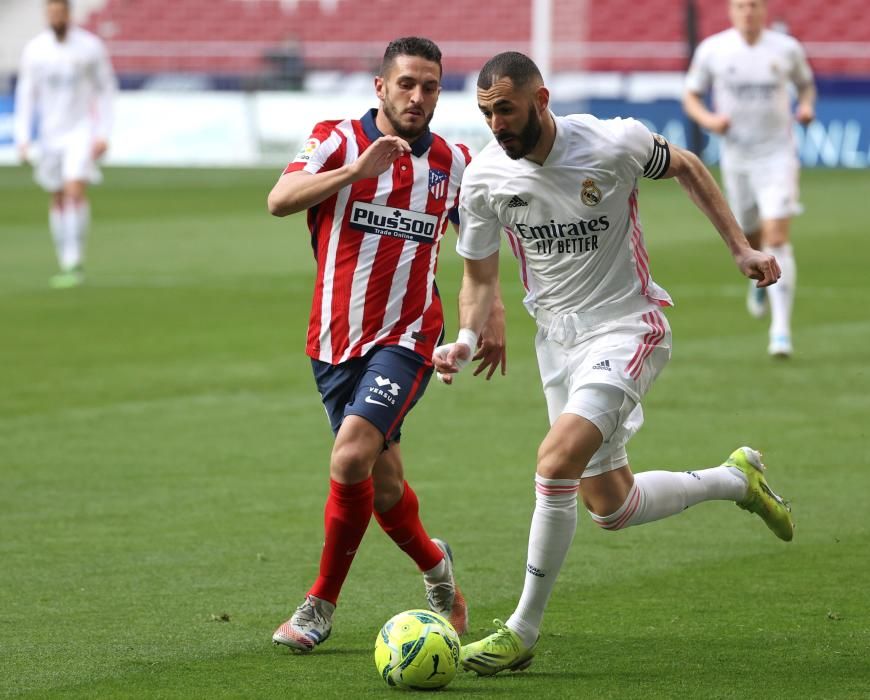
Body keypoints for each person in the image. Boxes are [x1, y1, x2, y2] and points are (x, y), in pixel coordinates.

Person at [433, 51, 794, 676]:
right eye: (487, 112)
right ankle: (738, 480)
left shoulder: (610, 142)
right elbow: (478, 277)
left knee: (553, 462)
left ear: (541, 99)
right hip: (558, 344)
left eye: (507, 110)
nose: (497, 124)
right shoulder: (486, 178)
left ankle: (521, 628)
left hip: (629, 326)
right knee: (611, 506)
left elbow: (683, 163)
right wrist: (465, 336)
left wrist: (739, 246)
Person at [267, 36, 505, 653]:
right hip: (332, 341)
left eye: (430, 86)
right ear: (381, 86)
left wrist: (493, 313)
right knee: (387, 483)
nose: (419, 96)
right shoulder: (338, 139)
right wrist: (354, 172)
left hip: (407, 338)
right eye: (407, 84)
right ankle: (438, 571)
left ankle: (319, 605)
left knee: (349, 459)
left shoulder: (455, 162)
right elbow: (278, 200)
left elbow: (481, 247)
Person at [683, 0, 815, 358]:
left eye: (754, 5)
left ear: (763, 10)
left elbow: (805, 85)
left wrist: (806, 107)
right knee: (752, 235)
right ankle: (761, 284)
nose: (748, 12)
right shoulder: (714, 49)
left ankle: (781, 331)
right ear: (731, 10)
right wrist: (709, 121)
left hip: (778, 155)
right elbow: (691, 95)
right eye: (742, 6)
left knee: (777, 236)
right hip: (737, 158)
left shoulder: (786, 49)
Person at [14, 0, 116, 289]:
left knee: (74, 190)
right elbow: (26, 95)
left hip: (80, 130)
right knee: (57, 195)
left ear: (69, 14)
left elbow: (106, 89)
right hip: (50, 134)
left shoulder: (90, 47)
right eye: (51, 13)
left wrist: (103, 133)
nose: (55, 18)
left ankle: (74, 260)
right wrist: (23, 137)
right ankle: (64, 261)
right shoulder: (35, 49)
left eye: (60, 13)